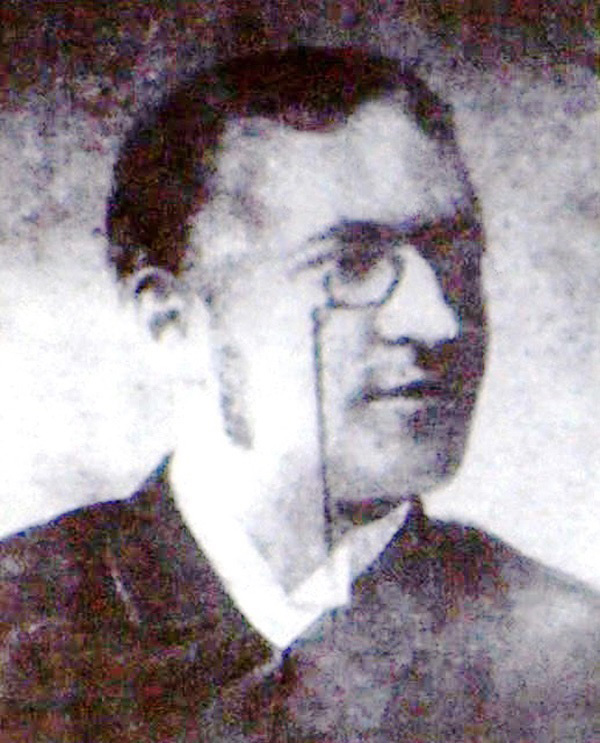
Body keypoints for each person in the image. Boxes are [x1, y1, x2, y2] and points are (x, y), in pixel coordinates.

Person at [0, 47, 597, 742]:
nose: (439, 321)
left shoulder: (568, 663)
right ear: (174, 323)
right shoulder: (21, 628)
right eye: (351, 265)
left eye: (454, 256)